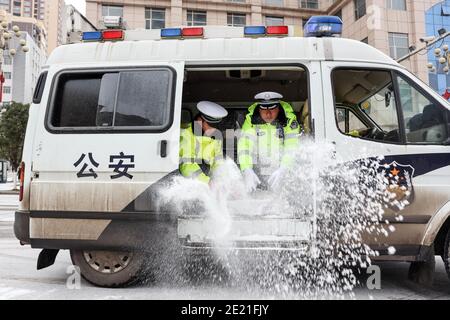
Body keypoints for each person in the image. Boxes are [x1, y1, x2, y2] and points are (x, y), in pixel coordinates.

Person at [238, 91, 301, 192]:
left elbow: (292, 146)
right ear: (259, 109)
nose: (268, 114)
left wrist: (284, 168)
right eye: (264, 110)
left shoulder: (289, 120)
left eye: (272, 109)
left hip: (282, 169)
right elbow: (245, 145)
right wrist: (246, 169)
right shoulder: (251, 120)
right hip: (258, 170)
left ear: (278, 108)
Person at [179, 101, 228, 185]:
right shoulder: (186, 135)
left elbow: (218, 162)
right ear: (199, 121)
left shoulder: (215, 137)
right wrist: (207, 182)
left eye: (216, 127)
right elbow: (187, 166)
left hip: (206, 179)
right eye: (210, 125)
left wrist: (224, 181)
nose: (214, 130)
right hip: (189, 181)